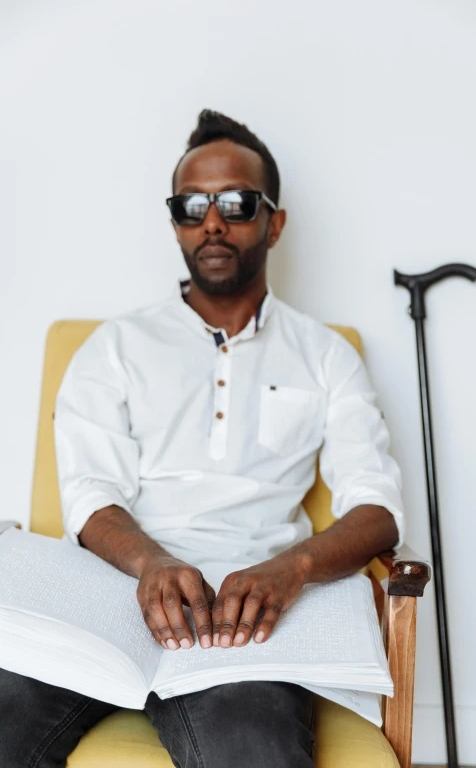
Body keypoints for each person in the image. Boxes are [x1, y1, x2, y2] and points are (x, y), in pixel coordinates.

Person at [0, 110, 404, 767]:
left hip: (248, 616)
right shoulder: (116, 347)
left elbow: (377, 509)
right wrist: (152, 564)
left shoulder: (326, 356)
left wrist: (292, 567)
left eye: (236, 203)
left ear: (273, 221)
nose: (211, 221)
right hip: (111, 593)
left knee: (254, 748)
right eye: (192, 205)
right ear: (176, 223)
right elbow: (90, 489)